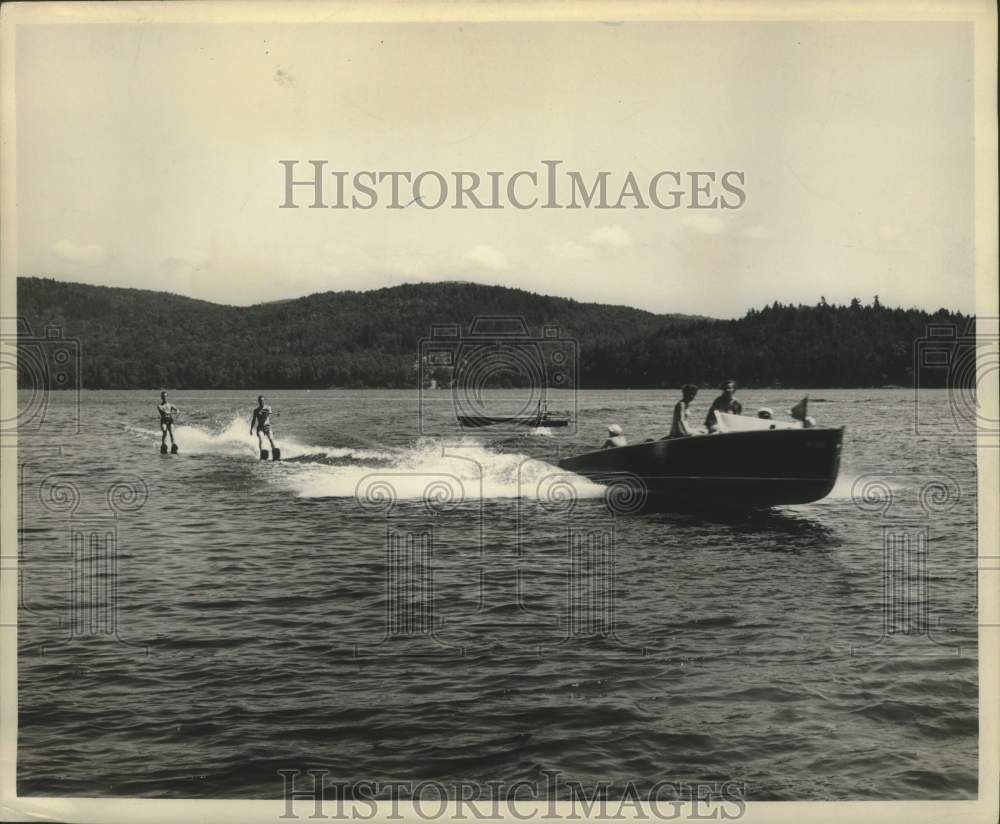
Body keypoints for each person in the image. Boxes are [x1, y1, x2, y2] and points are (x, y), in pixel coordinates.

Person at [250, 395, 280, 460]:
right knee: (261, 439)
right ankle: (262, 453)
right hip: (260, 428)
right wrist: (251, 429)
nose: (261, 402)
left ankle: (275, 452)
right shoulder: (256, 410)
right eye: (260, 401)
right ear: (258, 401)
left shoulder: (268, 408)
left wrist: (271, 413)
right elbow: (254, 420)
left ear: (264, 401)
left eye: (263, 400)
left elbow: (270, 413)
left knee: (271, 439)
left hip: (267, 427)